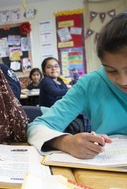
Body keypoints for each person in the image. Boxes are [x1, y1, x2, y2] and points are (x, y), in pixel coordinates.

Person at [28, 12, 127, 159]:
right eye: (111, 70)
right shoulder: (90, 85)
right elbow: (36, 128)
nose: (123, 81)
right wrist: (66, 142)